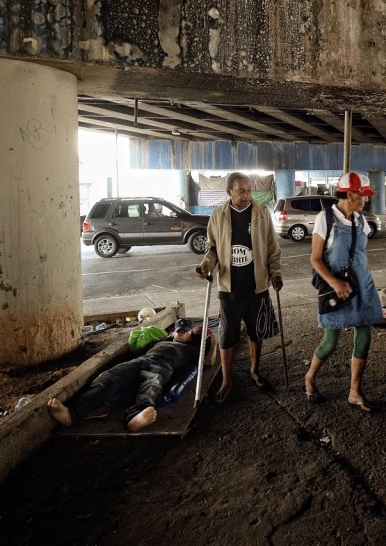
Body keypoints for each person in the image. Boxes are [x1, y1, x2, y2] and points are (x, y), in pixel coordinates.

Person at [194, 172, 283, 403]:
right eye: (242, 190)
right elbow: (212, 249)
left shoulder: (262, 213)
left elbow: (273, 249)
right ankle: (226, 381)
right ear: (229, 192)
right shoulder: (218, 215)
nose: (247, 195)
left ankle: (255, 371)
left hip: (257, 285)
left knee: (257, 332)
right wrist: (205, 266)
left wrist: (276, 273)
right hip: (229, 286)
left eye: (249, 190)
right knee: (227, 336)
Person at [304, 171, 384, 412]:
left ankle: (354, 391)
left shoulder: (360, 220)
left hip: (362, 285)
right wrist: (335, 283)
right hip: (336, 288)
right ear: (350, 195)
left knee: (364, 336)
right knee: (330, 342)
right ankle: (309, 378)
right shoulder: (325, 218)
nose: (366, 200)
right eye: (362, 196)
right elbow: (316, 260)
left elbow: (359, 254)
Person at [47, 324, 215, 432]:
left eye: (187, 332)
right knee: (108, 377)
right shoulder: (161, 341)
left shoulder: (191, 350)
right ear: (172, 333)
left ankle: (136, 417)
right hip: (141, 360)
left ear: (192, 339)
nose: (183, 333)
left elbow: (208, 361)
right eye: (180, 330)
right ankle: (73, 415)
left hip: (163, 365)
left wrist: (212, 343)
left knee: (152, 384)